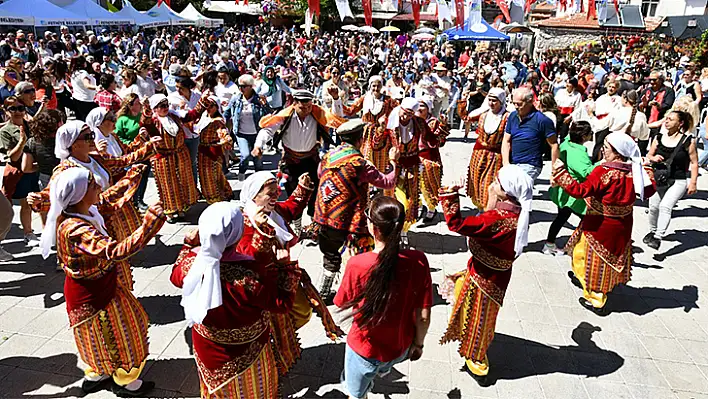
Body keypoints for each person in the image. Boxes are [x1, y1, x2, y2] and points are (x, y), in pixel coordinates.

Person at [39, 168, 164, 397]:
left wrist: (135, 170)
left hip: (99, 285)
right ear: (79, 194)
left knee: (100, 335)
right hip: (92, 294)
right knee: (123, 331)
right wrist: (149, 226)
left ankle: (99, 373)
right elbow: (113, 251)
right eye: (92, 185)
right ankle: (124, 381)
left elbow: (114, 195)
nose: (99, 186)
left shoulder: (88, 210)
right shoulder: (75, 229)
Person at [170, 202, 301, 399]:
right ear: (237, 233)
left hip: (207, 346)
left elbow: (175, 276)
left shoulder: (191, 263)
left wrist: (188, 245)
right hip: (248, 350)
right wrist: (287, 267)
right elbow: (281, 304)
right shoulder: (251, 274)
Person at [236, 171, 343, 373]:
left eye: (277, 191)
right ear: (254, 196)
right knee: (274, 323)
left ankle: (278, 344)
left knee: (301, 312)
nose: (276, 197)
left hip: (282, 277)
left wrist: (302, 189)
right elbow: (247, 258)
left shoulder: (274, 212)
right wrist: (265, 237)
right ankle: (270, 356)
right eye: (270, 193)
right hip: (261, 287)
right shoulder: (245, 223)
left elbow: (291, 207)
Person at [28, 120, 157, 282]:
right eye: (87, 136)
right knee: (104, 261)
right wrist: (38, 199)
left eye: (92, 135)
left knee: (117, 266)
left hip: (108, 218)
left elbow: (122, 161)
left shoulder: (96, 158)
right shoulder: (65, 169)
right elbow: (53, 195)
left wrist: (148, 147)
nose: (92, 139)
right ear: (73, 144)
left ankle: (116, 293)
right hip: (89, 224)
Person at [439, 164, 533, 385]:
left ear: (505, 192)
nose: (491, 184)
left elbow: (457, 224)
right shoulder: (516, 212)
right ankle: (471, 341)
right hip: (493, 275)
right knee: (478, 313)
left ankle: (478, 361)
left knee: (479, 317)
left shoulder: (498, 219)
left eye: (496, 182)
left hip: (485, 279)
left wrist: (451, 194)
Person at [334, 196, 432, 399]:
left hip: (364, 350)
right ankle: (383, 370)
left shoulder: (358, 263)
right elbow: (423, 315)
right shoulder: (419, 260)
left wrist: (347, 267)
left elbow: (342, 302)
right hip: (399, 346)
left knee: (355, 393)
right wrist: (418, 345)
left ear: (374, 228)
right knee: (382, 368)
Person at [552, 132, 656, 315]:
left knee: (594, 260)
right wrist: (647, 168)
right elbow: (649, 191)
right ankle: (584, 279)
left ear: (617, 153)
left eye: (606, 148)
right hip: (621, 225)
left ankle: (596, 300)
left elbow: (579, 190)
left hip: (600, 225)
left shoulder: (604, 171)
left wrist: (561, 173)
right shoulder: (636, 171)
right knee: (585, 254)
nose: (603, 151)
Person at [314, 119, 400, 297]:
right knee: (359, 253)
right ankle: (358, 289)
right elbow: (388, 182)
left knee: (330, 254)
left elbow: (320, 176)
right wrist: (393, 162)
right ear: (360, 140)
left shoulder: (327, 157)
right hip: (348, 220)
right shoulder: (359, 163)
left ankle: (323, 290)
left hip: (323, 215)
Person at [253, 89, 345, 234]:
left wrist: (335, 99)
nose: (306, 110)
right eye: (302, 107)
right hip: (291, 161)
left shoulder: (317, 114)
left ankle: (314, 225)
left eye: (309, 106)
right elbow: (268, 130)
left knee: (315, 192)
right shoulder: (285, 116)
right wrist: (258, 145)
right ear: (294, 104)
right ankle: (296, 225)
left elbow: (336, 119)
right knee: (293, 194)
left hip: (311, 159)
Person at [142, 93, 205, 223]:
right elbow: (145, 122)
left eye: (166, 105)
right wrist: (146, 111)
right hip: (164, 158)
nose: (165, 108)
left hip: (180, 155)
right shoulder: (153, 121)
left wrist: (202, 101)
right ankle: (171, 211)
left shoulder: (173, 116)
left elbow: (191, 116)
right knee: (169, 185)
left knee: (182, 182)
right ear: (155, 108)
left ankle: (181, 208)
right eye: (161, 106)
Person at [645, 110, 699, 250]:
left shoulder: (688, 141)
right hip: (660, 179)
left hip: (678, 180)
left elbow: (694, 162)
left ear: (680, 123)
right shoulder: (658, 137)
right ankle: (652, 231)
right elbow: (649, 155)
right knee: (653, 207)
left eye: (671, 119)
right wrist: (653, 158)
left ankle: (658, 237)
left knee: (665, 206)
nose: (667, 121)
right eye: (666, 119)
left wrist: (693, 182)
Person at [330, 76, 398, 183]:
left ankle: (382, 184)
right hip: (366, 134)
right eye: (373, 86)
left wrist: (387, 121)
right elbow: (350, 111)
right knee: (366, 157)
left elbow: (398, 111)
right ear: (370, 86)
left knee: (382, 159)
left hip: (382, 133)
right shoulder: (365, 98)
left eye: (378, 85)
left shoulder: (388, 100)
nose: (376, 88)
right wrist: (336, 99)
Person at [545, 121, 594, 256]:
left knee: (562, 216)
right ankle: (580, 246)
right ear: (584, 137)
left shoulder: (566, 143)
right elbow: (587, 172)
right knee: (586, 218)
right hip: (573, 193)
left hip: (563, 190)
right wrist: (602, 164)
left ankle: (550, 243)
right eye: (590, 133)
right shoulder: (578, 154)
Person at [0, 97, 40, 246]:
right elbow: (12, 156)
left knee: (36, 202)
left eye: (20, 109)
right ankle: (27, 233)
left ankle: (38, 231)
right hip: (18, 173)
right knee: (22, 204)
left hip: (33, 170)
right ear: (6, 111)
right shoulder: (5, 132)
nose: (18, 112)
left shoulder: (30, 125)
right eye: (13, 109)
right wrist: (22, 141)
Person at [464, 88, 510, 210]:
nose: (491, 103)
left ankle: (488, 208)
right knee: (476, 181)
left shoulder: (507, 117)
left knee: (489, 183)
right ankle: (480, 207)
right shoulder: (483, 115)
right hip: (479, 153)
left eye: (494, 100)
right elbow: (466, 117)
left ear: (501, 101)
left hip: (495, 156)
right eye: (489, 100)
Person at [502, 87, 559, 181]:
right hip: (513, 163)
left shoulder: (542, 120)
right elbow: (506, 140)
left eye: (519, 104)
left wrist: (554, 172)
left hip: (531, 164)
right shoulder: (513, 116)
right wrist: (506, 163)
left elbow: (554, 145)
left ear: (530, 101)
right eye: (514, 103)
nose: (516, 106)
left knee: (514, 186)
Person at [223, 74, 271, 181]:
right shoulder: (236, 99)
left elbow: (269, 115)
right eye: (239, 86)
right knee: (245, 156)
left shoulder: (259, 99)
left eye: (244, 86)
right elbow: (226, 114)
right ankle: (241, 173)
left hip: (257, 133)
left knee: (257, 159)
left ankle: (259, 179)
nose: (241, 88)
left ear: (251, 87)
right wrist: (222, 125)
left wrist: (265, 105)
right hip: (241, 133)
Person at [416, 95, 450, 222]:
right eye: (418, 105)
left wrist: (442, 127)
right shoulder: (412, 120)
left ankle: (432, 209)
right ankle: (419, 207)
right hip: (414, 157)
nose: (419, 108)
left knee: (429, 186)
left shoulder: (433, 122)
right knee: (414, 186)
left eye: (423, 105)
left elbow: (437, 143)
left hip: (429, 158)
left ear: (428, 108)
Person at [194, 96, 233, 203]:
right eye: (207, 106)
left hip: (212, 152)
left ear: (217, 107)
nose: (208, 108)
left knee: (211, 176)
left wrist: (225, 139)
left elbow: (223, 132)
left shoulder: (218, 121)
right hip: (202, 152)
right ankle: (224, 192)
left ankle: (214, 197)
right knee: (208, 175)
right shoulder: (204, 118)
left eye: (211, 106)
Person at [70, 56, 98, 121]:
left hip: (77, 98)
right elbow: (86, 85)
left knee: (80, 119)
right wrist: (97, 87)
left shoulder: (74, 73)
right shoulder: (83, 73)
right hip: (86, 100)